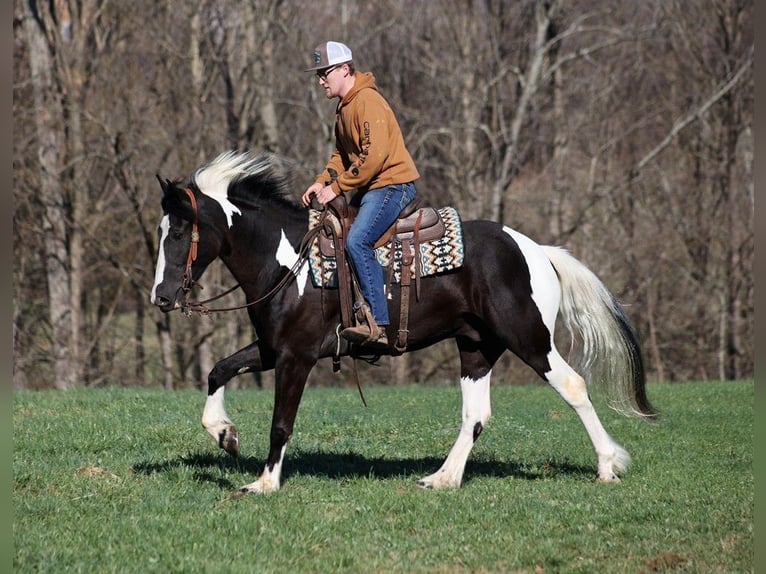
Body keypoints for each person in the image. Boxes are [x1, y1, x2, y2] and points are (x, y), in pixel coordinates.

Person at [301, 41, 420, 350]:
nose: (320, 80)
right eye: (319, 74)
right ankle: (353, 313)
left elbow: (374, 158)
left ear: (345, 69)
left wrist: (336, 188)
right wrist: (321, 181)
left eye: (325, 73)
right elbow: (341, 156)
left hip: (392, 185)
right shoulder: (344, 108)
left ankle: (377, 324)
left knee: (357, 241)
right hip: (371, 188)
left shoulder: (367, 101)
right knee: (337, 239)